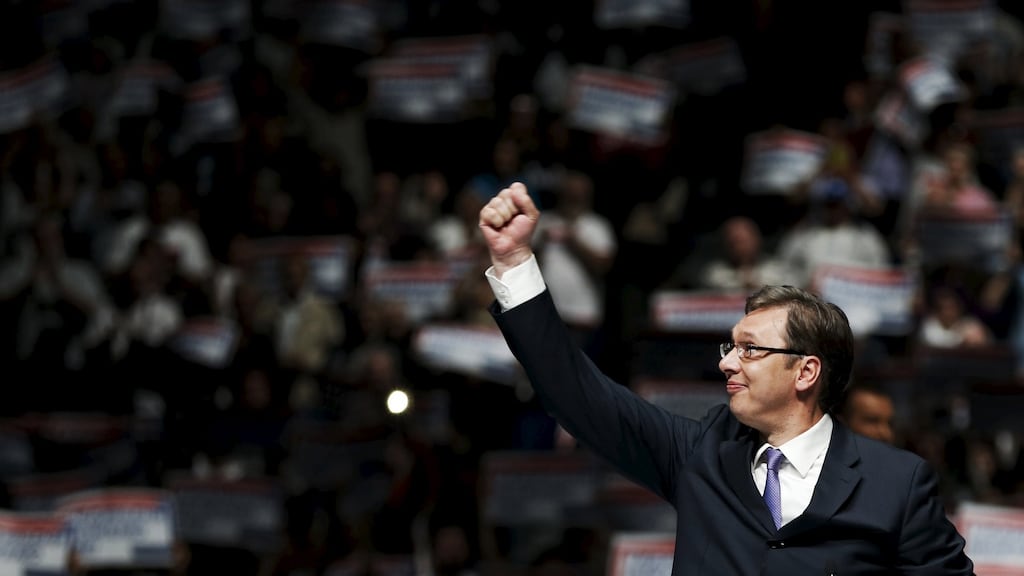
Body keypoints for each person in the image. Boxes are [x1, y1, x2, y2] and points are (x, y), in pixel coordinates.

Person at [477, 182, 974, 574]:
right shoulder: (700, 455)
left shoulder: (898, 484)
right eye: (730, 346)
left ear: (805, 371)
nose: (727, 362)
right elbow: (576, 394)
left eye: (750, 349)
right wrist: (515, 263)